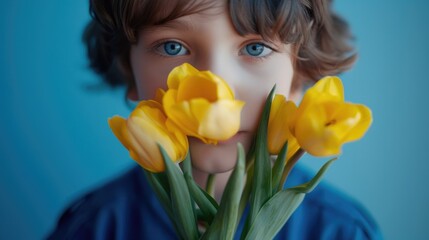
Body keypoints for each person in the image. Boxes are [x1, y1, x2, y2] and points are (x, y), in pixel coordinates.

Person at [47, 0, 382, 239]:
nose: (219, 88)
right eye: (173, 47)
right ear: (129, 71)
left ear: (300, 75)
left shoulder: (341, 231)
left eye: (254, 49)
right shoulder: (96, 227)